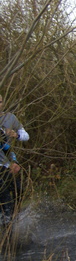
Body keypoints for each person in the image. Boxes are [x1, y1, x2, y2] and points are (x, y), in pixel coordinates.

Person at [0, 95, 29, 225]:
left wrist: (13, 161)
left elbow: (6, 147)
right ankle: (7, 230)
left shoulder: (10, 118)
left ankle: (14, 221)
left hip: (6, 164)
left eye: (0, 101)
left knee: (19, 190)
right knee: (6, 199)